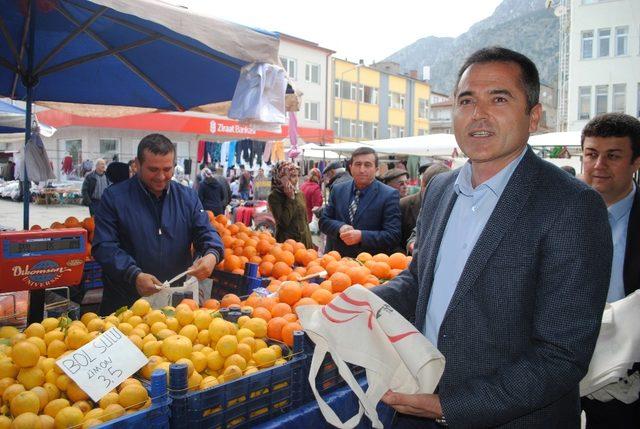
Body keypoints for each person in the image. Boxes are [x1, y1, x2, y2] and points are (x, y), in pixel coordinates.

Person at [374, 47, 612, 428]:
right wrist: (357, 304)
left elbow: (561, 355)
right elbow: (420, 281)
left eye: (499, 99)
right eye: (466, 101)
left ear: (533, 116)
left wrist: (446, 405)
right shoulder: (439, 189)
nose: (478, 115)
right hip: (417, 404)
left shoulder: (572, 206)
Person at [92, 134, 224, 315]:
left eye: (167, 169)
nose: (161, 176)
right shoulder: (114, 197)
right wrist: (133, 275)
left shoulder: (187, 197)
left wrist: (212, 254)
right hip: (126, 303)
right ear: (137, 164)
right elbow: (104, 246)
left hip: (174, 306)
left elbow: (207, 232)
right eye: (153, 169)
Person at [580, 113, 640, 428]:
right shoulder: (557, 213)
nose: (599, 164)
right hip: (563, 365)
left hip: (628, 374)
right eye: (591, 154)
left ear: (636, 162)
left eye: (613, 156)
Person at [319, 147, 401, 258]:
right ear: (350, 168)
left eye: (367, 165)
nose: (362, 170)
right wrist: (340, 227)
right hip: (339, 263)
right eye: (358, 164)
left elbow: (393, 235)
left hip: (371, 265)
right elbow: (324, 221)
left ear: (376, 169)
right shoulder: (338, 190)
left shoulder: (389, 195)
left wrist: (362, 236)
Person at [402, 163, 450, 254]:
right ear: (422, 184)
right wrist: (412, 244)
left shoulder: (454, 208)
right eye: (427, 187)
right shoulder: (426, 209)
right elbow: (416, 234)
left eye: (438, 189)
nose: (432, 193)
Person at [267, 161, 313, 248]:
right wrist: (290, 198)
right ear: (281, 177)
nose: (296, 180)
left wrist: (310, 245)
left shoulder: (300, 194)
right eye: (292, 176)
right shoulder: (274, 196)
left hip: (304, 243)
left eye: (297, 176)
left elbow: (305, 222)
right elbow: (284, 222)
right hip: (287, 245)